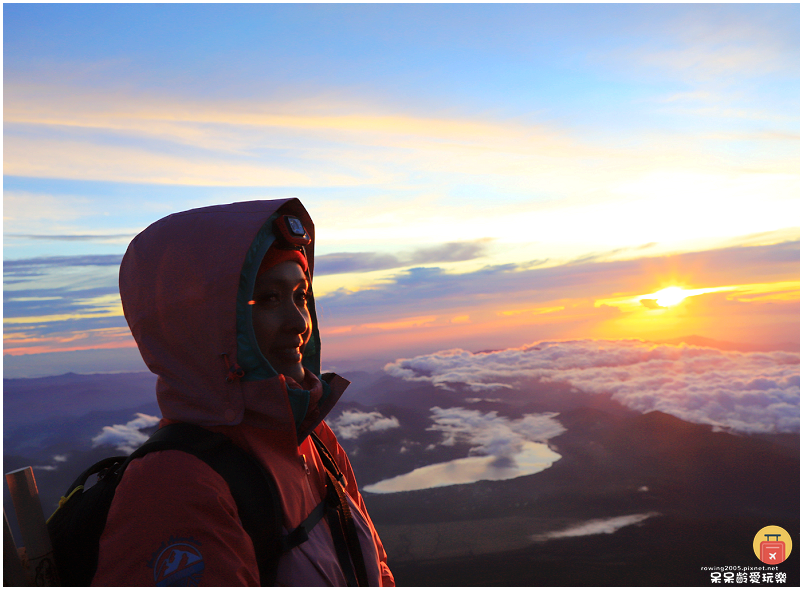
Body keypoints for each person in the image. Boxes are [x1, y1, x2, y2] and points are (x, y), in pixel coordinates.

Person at [92, 199, 394, 586]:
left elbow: (377, 570)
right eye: (268, 298)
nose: (299, 322)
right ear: (204, 324)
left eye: (300, 296)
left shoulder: (311, 439)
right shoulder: (174, 487)